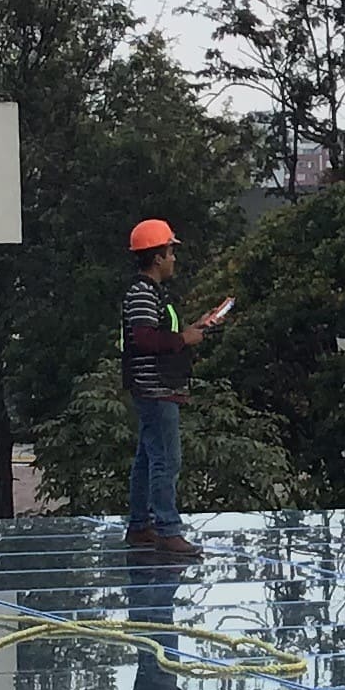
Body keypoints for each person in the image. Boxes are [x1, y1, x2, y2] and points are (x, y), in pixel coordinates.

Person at [120, 218, 223, 561]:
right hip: (155, 388)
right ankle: (167, 529)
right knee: (166, 459)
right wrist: (184, 339)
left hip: (155, 387)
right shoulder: (142, 293)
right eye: (170, 252)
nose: (173, 258)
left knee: (148, 458)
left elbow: (157, 333)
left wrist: (195, 328)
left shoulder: (150, 293)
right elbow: (145, 339)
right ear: (157, 257)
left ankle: (140, 525)